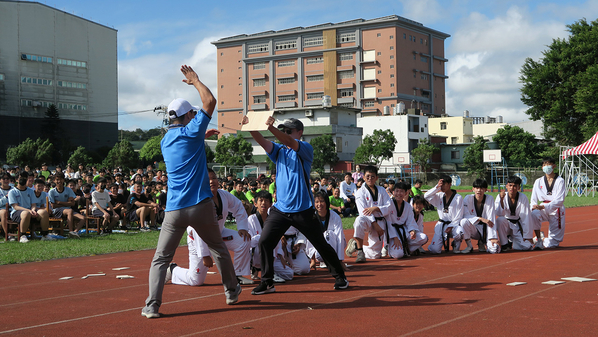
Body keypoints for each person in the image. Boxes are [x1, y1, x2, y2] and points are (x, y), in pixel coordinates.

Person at [142, 65, 239, 319]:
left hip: (174, 209)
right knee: (217, 248)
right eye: (191, 116)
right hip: (200, 205)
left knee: (160, 259)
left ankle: (152, 306)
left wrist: (200, 134)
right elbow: (210, 101)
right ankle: (231, 291)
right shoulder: (191, 131)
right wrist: (195, 80)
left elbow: (185, 141)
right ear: (187, 117)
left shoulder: (165, 141)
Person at [248, 116, 348, 294]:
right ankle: (267, 282)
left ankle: (340, 277)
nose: (284, 134)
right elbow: (262, 142)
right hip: (280, 209)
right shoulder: (279, 150)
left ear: (299, 133)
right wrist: (250, 126)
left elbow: (287, 140)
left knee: (320, 244)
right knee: (264, 242)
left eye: (288, 130)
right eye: (283, 130)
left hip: (303, 209)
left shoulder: (305, 149)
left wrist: (271, 128)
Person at [169, 169, 253, 286]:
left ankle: (237, 275)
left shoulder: (223, 195)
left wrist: (243, 227)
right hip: (198, 239)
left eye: (213, 178)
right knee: (196, 280)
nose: (211, 181)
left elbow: (238, 207)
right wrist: (205, 255)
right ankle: (173, 269)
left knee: (244, 240)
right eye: (207, 180)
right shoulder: (198, 201)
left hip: (219, 234)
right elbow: (197, 229)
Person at [345, 166, 391, 263]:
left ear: (377, 178)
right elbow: (363, 211)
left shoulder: (382, 190)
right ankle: (360, 251)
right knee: (359, 220)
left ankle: (355, 245)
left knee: (375, 255)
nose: (370, 179)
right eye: (368, 176)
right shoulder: (360, 192)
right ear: (364, 177)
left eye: (372, 176)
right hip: (368, 221)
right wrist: (375, 224)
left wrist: (376, 208)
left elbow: (389, 206)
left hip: (380, 220)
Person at [247, 191, 292, 282]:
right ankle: (261, 270)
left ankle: (269, 270)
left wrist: (281, 256)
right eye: (261, 200)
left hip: (273, 256)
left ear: (271, 204)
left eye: (267, 201)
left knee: (289, 274)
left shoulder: (272, 220)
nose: (264, 203)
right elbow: (250, 242)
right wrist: (263, 237)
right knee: (266, 241)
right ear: (255, 203)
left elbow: (278, 239)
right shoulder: (251, 219)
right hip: (255, 254)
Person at [530, 157, 566, 249]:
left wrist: (544, 206)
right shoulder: (538, 181)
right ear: (542, 167)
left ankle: (542, 239)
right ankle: (538, 238)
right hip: (542, 209)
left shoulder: (560, 181)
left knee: (553, 244)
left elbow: (560, 200)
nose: (546, 167)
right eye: (544, 165)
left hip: (556, 209)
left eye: (548, 164)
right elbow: (533, 199)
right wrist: (534, 206)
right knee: (533, 213)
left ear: (554, 166)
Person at [385, 182, 428, 258]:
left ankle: (406, 249)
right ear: (393, 192)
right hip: (392, 232)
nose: (399, 193)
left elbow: (410, 220)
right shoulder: (389, 204)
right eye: (397, 191)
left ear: (405, 193)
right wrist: (394, 237)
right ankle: (389, 248)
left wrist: (412, 231)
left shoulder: (408, 206)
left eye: (401, 191)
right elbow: (388, 222)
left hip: (404, 230)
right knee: (398, 255)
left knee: (423, 238)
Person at [424, 176, 464, 254]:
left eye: (444, 184)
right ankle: (434, 245)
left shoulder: (458, 198)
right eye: (441, 185)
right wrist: (437, 187)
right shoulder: (439, 196)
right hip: (441, 225)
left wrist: (451, 226)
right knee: (435, 250)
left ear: (449, 184)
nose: (442, 187)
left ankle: (456, 244)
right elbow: (426, 196)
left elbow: (459, 215)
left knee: (460, 232)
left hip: (454, 225)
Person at [8, 173, 53, 242]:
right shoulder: (12, 192)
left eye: (25, 178)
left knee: (43, 212)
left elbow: (33, 204)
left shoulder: (30, 191)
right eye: (21, 178)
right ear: (17, 180)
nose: (23, 180)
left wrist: (33, 210)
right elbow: (15, 206)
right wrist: (29, 211)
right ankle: (23, 235)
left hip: (30, 211)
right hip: (17, 213)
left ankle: (44, 235)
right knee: (26, 213)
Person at [306, 191, 346, 269]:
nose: (319, 204)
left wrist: (340, 261)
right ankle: (324, 260)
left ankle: (334, 261)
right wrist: (313, 260)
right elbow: (310, 239)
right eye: (317, 202)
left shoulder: (335, 217)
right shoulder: (311, 218)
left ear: (327, 202)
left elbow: (340, 237)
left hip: (333, 249)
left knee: (328, 234)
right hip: (319, 252)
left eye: (322, 201)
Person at [460, 179, 500, 254]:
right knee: (463, 221)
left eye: (481, 188)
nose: (479, 190)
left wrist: (493, 237)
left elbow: (491, 219)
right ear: (473, 189)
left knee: (495, 250)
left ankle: (483, 241)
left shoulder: (489, 198)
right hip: (473, 229)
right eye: (477, 188)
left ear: (485, 190)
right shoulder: (468, 198)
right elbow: (465, 215)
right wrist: (480, 219)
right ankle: (469, 246)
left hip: (486, 229)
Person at [495, 176, 533, 251]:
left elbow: (526, 217)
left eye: (515, 186)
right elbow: (499, 213)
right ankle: (504, 244)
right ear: (506, 186)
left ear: (518, 187)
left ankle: (513, 240)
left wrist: (528, 236)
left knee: (525, 247)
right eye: (510, 185)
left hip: (517, 225)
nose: (512, 188)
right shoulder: (500, 196)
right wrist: (501, 200)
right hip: (506, 224)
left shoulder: (523, 197)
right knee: (500, 219)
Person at [49, 172, 85, 238]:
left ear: (63, 180)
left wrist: (59, 202)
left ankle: (75, 232)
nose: (59, 181)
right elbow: (53, 206)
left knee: (83, 218)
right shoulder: (52, 191)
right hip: (57, 211)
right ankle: (70, 231)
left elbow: (73, 203)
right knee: (69, 211)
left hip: (68, 210)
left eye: (60, 179)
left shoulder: (68, 190)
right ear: (54, 180)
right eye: (57, 179)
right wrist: (66, 204)